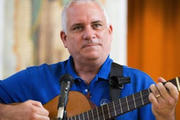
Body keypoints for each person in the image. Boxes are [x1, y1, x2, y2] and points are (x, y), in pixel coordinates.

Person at [0, 0, 179, 120]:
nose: (89, 34)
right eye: (78, 28)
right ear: (64, 38)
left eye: (96, 25)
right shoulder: (36, 78)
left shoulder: (141, 84)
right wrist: (10, 113)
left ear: (109, 32)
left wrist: (166, 116)